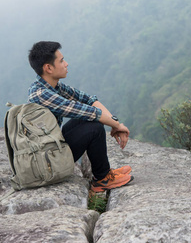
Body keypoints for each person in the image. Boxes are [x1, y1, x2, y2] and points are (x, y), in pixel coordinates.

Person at [27, 41, 133, 192]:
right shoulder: (42, 94)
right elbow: (90, 112)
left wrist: (114, 122)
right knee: (94, 126)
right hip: (46, 163)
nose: (66, 64)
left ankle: (105, 173)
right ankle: (102, 179)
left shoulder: (52, 86)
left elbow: (89, 100)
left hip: (51, 149)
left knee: (89, 119)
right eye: (62, 61)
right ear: (48, 68)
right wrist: (117, 126)